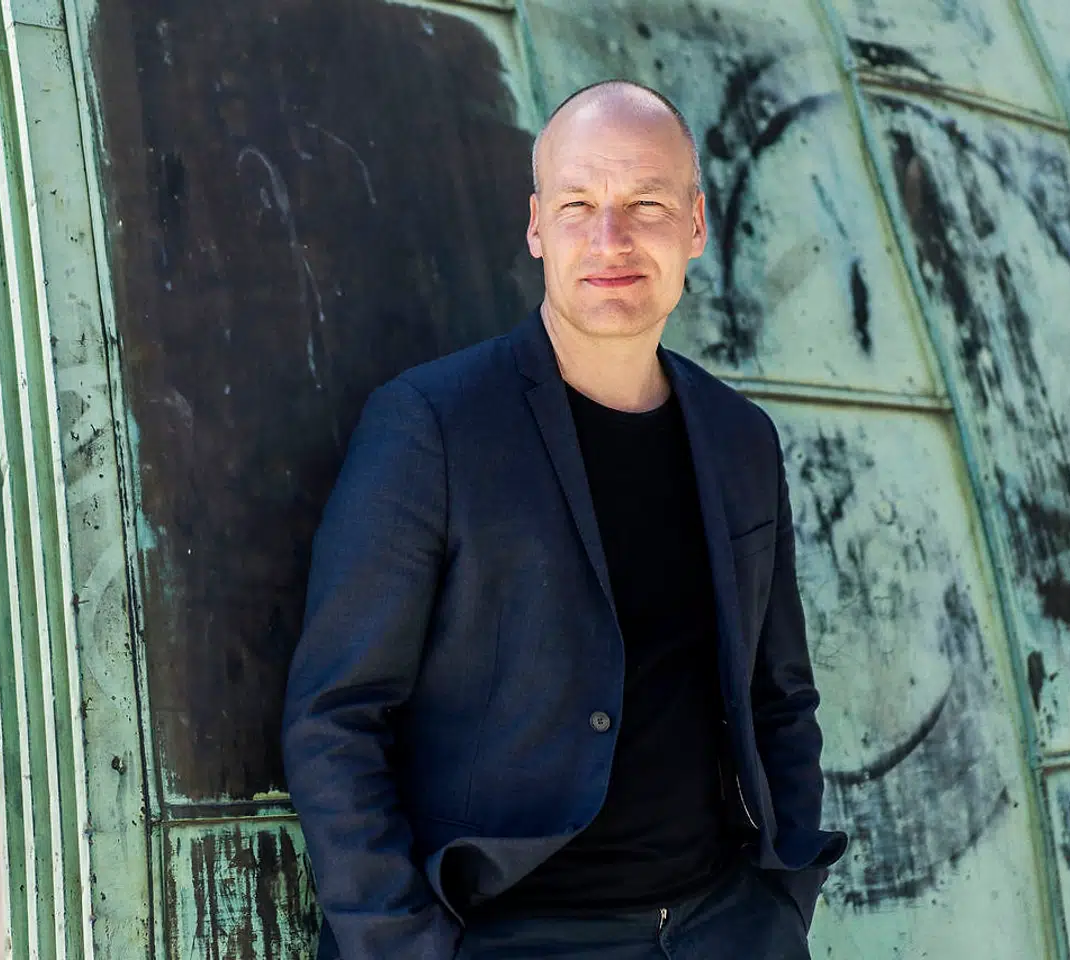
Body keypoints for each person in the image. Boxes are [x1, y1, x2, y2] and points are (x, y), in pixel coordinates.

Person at [282, 79, 848, 960]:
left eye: (646, 204)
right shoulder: (431, 425)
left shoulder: (741, 438)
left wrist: (781, 901)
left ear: (695, 224)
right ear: (537, 226)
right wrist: (400, 946)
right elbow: (336, 716)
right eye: (579, 203)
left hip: (723, 927)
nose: (610, 238)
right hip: (507, 935)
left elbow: (781, 696)